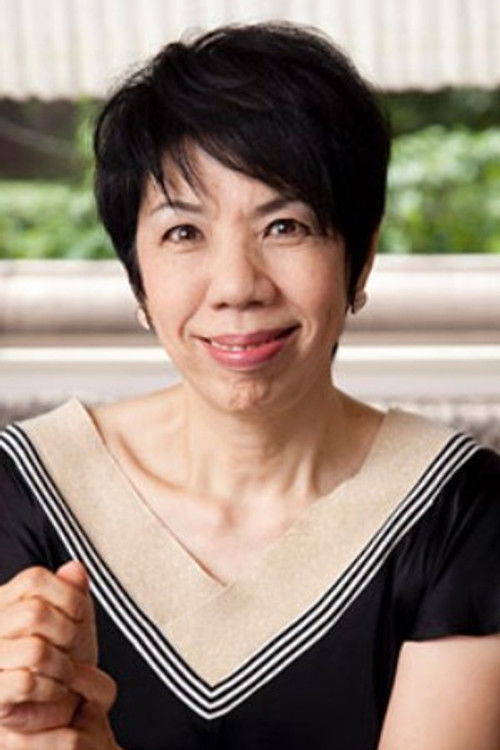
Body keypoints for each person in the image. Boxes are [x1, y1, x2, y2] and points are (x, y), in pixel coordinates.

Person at [0, 21, 499, 750]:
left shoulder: (460, 510)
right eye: (183, 232)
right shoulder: (25, 489)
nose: (237, 286)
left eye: (286, 226)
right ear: (136, 277)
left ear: (360, 258)